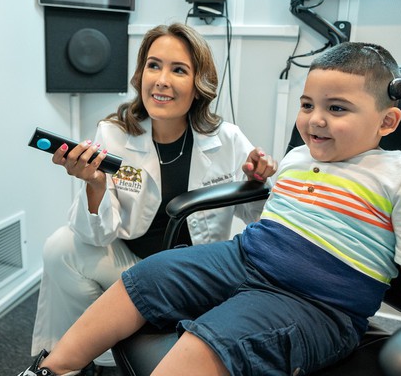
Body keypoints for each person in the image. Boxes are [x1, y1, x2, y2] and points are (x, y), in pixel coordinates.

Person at [19, 41, 401, 376]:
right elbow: (275, 221)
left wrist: (253, 178)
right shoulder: (299, 158)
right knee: (145, 277)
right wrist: (94, 182)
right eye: (307, 105)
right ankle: (51, 369)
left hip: (315, 299)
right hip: (245, 258)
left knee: (207, 340)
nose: (314, 120)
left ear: (387, 121)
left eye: (337, 108)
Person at [30, 23, 276, 372]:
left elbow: (259, 220)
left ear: (199, 84)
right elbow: (95, 236)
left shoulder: (228, 139)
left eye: (178, 70)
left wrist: (256, 182)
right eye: (153, 65)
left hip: (198, 279)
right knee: (62, 247)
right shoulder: (113, 133)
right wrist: (95, 185)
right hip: (134, 269)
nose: (161, 79)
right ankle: (71, 364)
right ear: (141, 73)